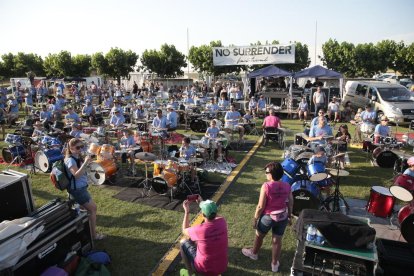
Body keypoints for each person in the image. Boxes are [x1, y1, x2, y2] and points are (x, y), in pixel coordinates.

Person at [242, 162, 293, 273]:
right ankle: (274, 264)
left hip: (268, 217)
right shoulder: (287, 186)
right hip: (282, 216)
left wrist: (255, 219)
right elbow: (290, 203)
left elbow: (260, 206)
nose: (265, 174)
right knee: (277, 240)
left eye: (266, 172)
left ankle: (254, 254)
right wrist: (289, 216)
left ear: (271, 174)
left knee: (259, 236)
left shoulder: (266, 186)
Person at [64, 138, 104, 240]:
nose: (80, 149)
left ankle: (86, 232)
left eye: (82, 147)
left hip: (79, 189)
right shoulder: (70, 160)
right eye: (78, 147)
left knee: (82, 211)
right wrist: (85, 163)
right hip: (78, 190)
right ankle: (93, 235)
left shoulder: (77, 157)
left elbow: (82, 171)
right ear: (71, 148)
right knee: (92, 209)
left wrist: (88, 163)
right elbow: (76, 175)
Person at [180, 197, 228, 276]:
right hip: (222, 267)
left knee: (183, 242)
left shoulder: (199, 230)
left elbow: (184, 230)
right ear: (216, 213)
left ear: (202, 214)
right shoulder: (222, 222)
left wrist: (187, 212)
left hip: (203, 269)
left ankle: (190, 273)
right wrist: (203, 204)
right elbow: (217, 215)